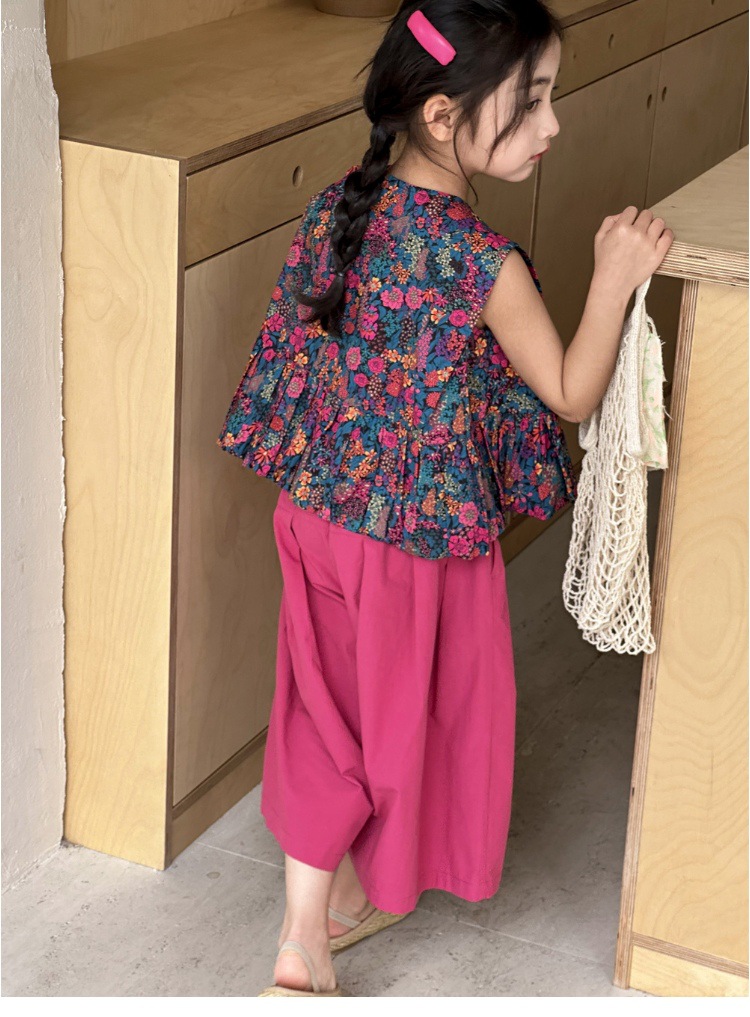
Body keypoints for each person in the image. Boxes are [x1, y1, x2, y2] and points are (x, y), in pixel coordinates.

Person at [216, 0, 674, 997]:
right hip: (411, 542)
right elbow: (570, 391)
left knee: (323, 712)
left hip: (315, 513)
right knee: (409, 719)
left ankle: (307, 931)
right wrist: (612, 277)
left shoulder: (338, 207)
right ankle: (349, 900)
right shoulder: (480, 263)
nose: (553, 124)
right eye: (531, 102)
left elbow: (296, 365)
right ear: (439, 115)